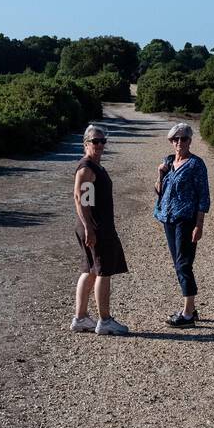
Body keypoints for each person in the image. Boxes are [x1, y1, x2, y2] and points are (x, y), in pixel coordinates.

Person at [71, 123, 130, 336]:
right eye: (95, 141)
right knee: (103, 271)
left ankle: (81, 318)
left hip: (95, 226)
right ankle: (105, 321)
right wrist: (89, 228)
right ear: (86, 144)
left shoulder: (95, 166)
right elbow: (81, 200)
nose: (99, 144)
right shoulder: (87, 168)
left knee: (89, 270)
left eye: (102, 141)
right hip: (96, 227)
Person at [153, 122, 210, 327]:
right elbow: (159, 191)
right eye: (175, 139)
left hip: (186, 220)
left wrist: (199, 225)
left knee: (184, 264)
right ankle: (191, 309)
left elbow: (203, 197)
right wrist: (160, 174)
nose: (179, 142)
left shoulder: (196, 164)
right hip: (168, 218)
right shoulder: (168, 161)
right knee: (179, 263)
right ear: (171, 141)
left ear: (190, 141)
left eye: (183, 138)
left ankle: (187, 314)